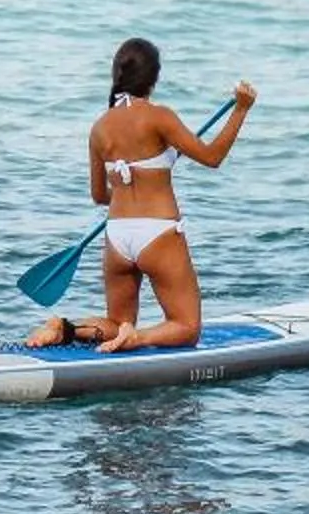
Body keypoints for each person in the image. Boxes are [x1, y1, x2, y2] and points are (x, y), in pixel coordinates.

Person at [26, 38, 255, 353]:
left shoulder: (100, 127)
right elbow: (212, 157)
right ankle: (137, 337)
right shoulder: (159, 116)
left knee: (116, 321)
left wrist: (129, 187)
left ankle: (65, 328)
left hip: (117, 235)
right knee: (186, 327)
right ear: (154, 78)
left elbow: (99, 195)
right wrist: (241, 109)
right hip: (158, 233)